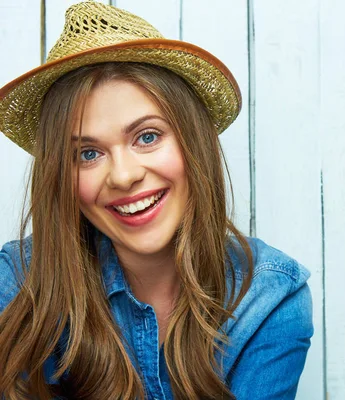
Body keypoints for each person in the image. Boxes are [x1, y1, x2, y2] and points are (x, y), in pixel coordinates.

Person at [0, 1, 313, 399]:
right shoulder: (18, 285)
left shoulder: (268, 297)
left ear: (191, 141)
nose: (125, 175)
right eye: (88, 154)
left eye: (147, 136)